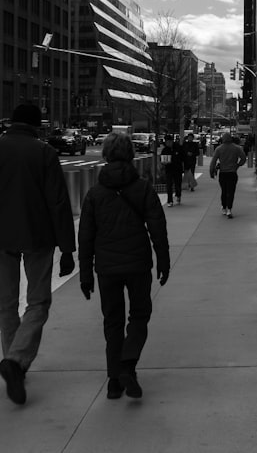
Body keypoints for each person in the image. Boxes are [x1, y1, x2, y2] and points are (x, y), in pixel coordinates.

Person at [0, 103, 76, 406]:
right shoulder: (44, 153)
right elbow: (58, 202)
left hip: (0, 238)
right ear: (35, 125)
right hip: (38, 237)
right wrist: (67, 248)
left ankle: (13, 362)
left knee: (6, 305)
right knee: (38, 302)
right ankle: (16, 360)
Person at [79, 132, 170, 400]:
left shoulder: (95, 193)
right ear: (130, 154)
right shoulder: (142, 187)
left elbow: (86, 236)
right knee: (139, 315)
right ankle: (128, 363)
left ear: (106, 154)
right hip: (138, 263)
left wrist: (85, 274)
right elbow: (157, 227)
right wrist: (163, 261)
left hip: (106, 266)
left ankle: (114, 381)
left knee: (113, 321)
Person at [209, 133, 247, 218]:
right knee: (231, 191)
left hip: (223, 173)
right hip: (232, 173)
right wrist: (238, 165)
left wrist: (211, 172)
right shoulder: (237, 148)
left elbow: (213, 161)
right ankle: (229, 209)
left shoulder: (219, 149)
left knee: (224, 191)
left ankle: (224, 207)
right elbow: (244, 158)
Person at [159, 134, 185, 206]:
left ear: (172, 141)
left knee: (178, 184)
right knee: (169, 185)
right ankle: (170, 200)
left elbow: (183, 157)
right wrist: (164, 162)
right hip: (169, 169)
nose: (168, 143)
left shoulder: (178, 148)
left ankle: (178, 195)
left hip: (177, 169)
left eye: (169, 142)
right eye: (167, 142)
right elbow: (161, 159)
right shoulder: (165, 150)